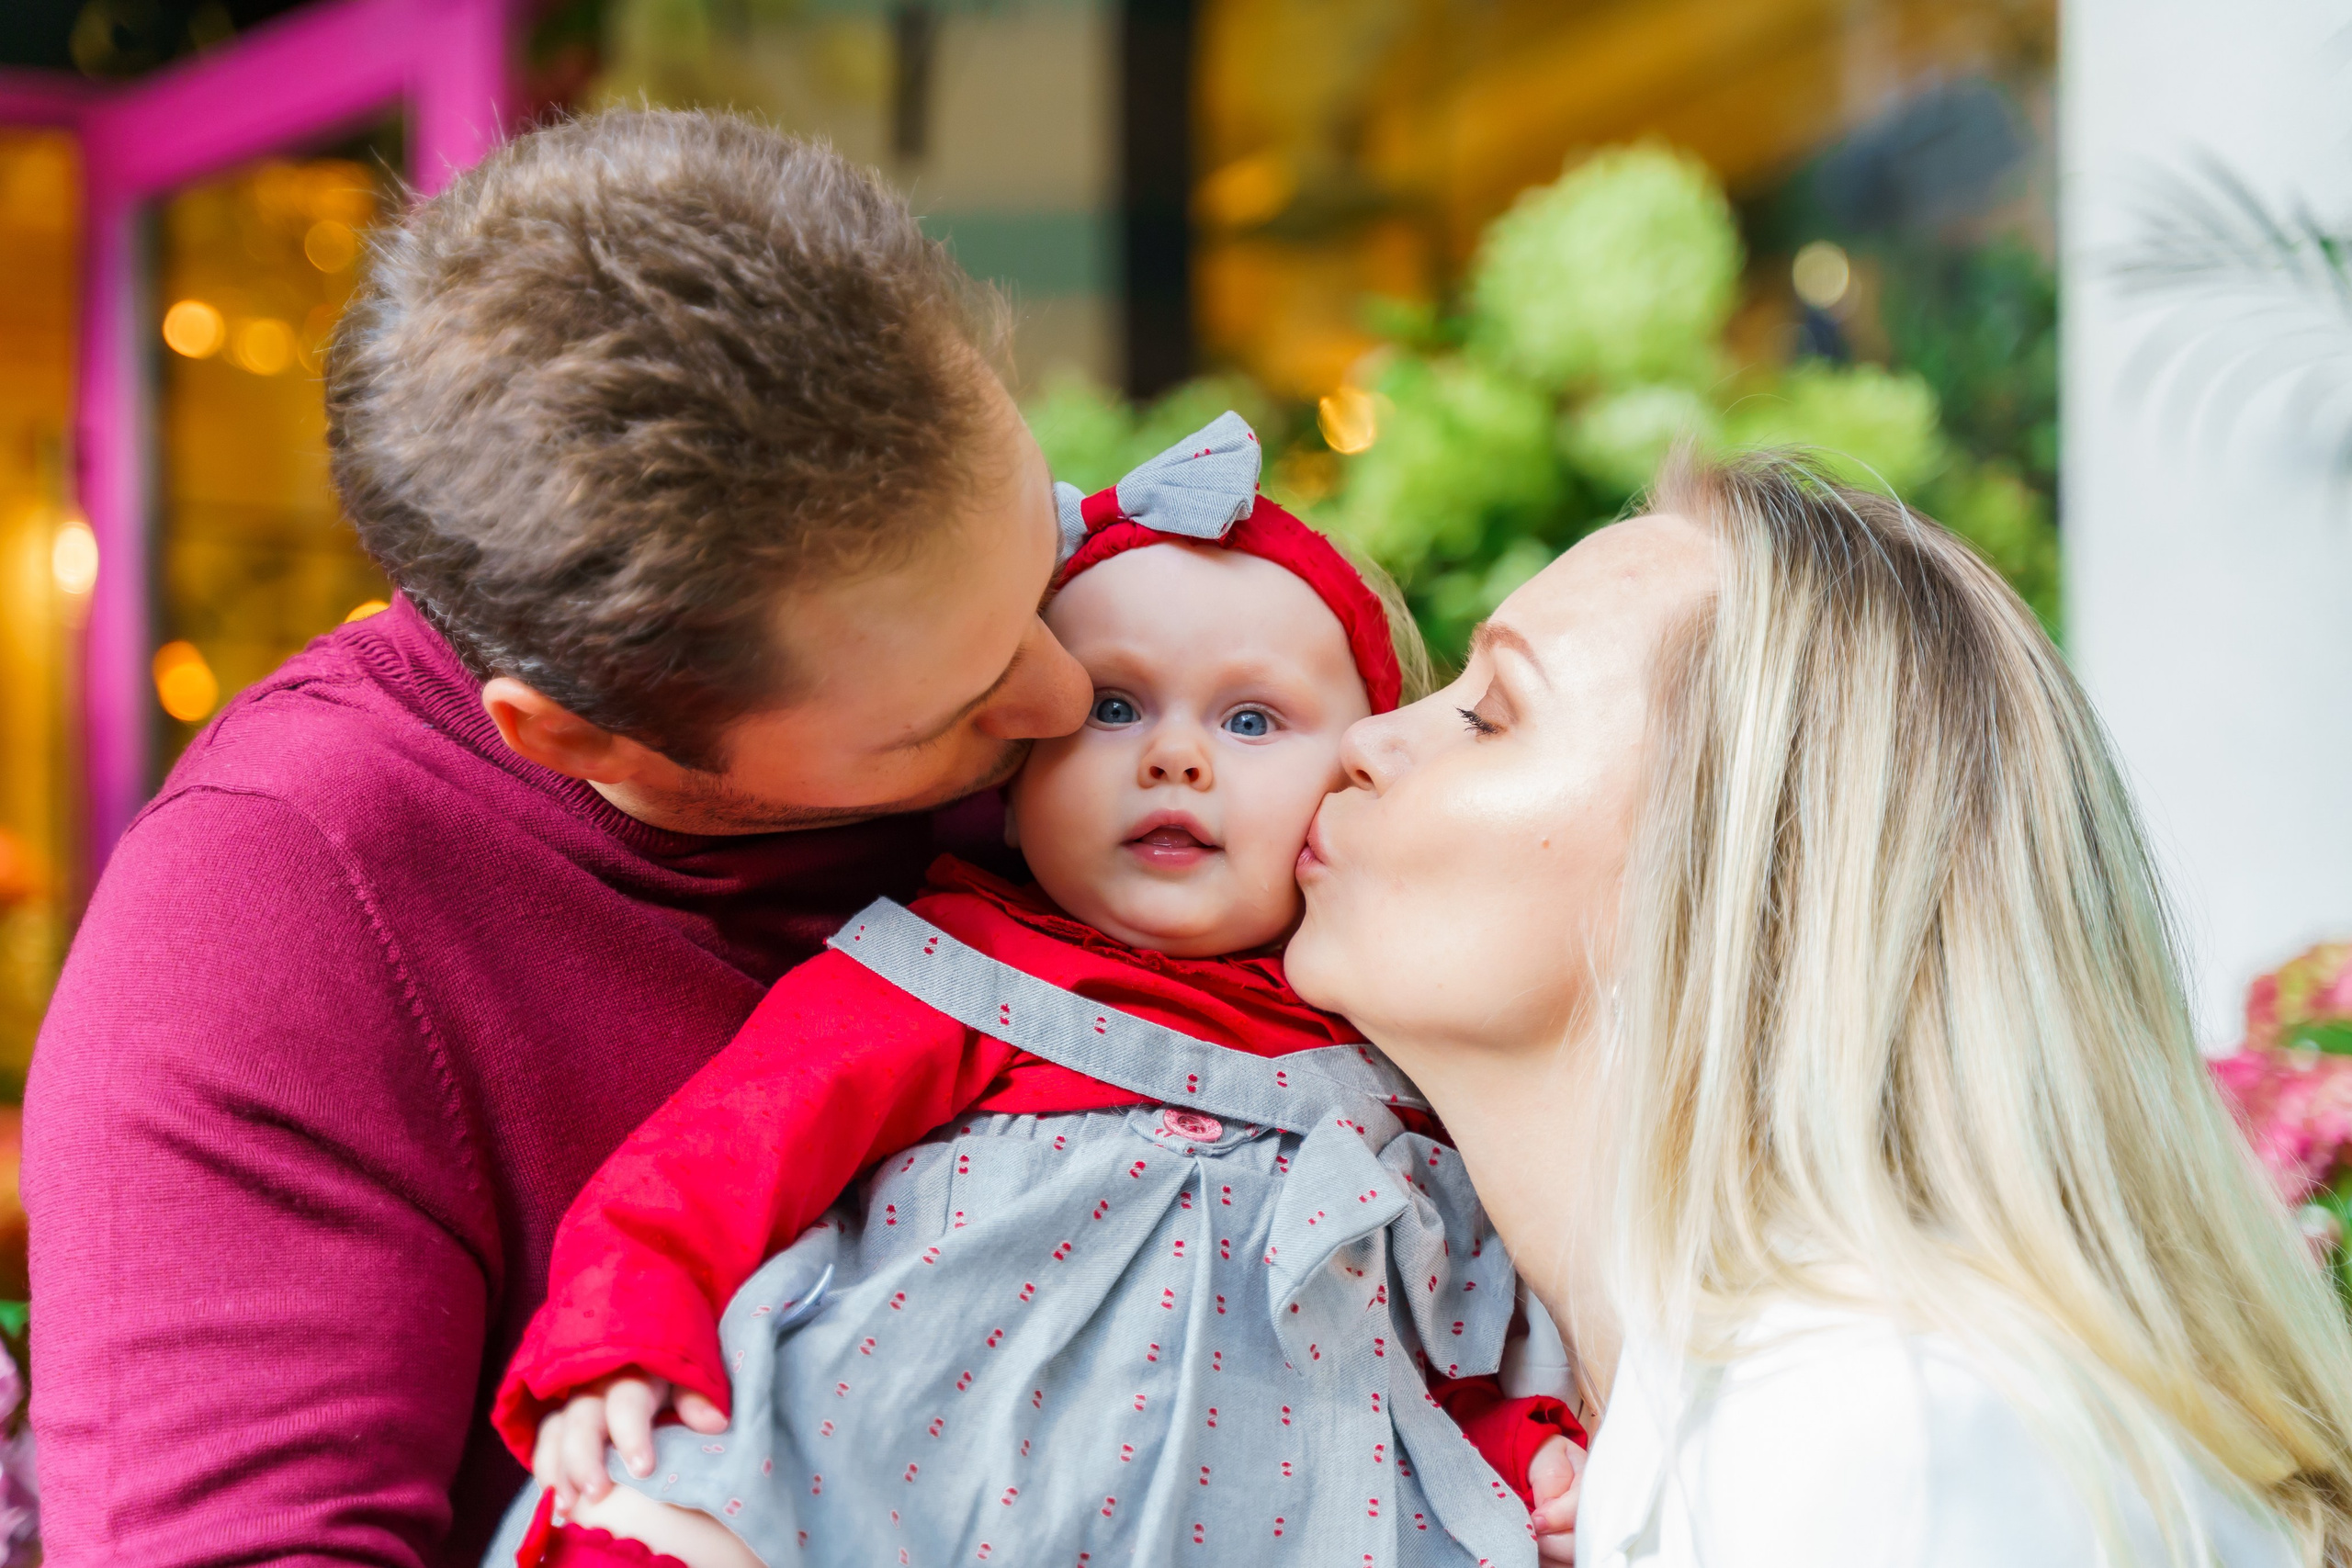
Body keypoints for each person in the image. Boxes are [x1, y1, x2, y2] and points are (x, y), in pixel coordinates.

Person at [23, 110, 1094, 1568]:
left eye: (1045, 546)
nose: (1070, 692)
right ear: (574, 736)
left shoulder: (1102, 628)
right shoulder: (262, 923)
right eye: (950, 715)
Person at [487, 417, 1585, 1568]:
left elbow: (1437, 1323)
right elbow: (719, 1158)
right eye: (1113, 707)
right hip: (892, 1473)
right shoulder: (952, 969)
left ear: (1357, 782)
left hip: (1262, 1513)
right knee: (665, 1503)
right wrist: (622, 1331)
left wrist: (1520, 1453)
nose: (1175, 758)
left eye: (1250, 720)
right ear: (1009, 775)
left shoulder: (1395, 1054)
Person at [1284, 451, 2352, 1566]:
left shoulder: (1882, 1431)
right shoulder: (1706, 1408)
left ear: (1740, 887)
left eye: (1492, 715)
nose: (1368, 738)